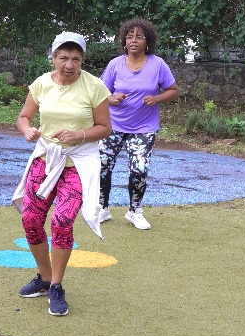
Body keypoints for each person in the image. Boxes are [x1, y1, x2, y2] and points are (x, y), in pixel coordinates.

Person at [12, 32, 111, 316]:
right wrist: (27, 130)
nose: (69, 64)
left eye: (76, 59)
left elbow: (105, 127)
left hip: (78, 161)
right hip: (46, 158)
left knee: (63, 219)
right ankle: (44, 278)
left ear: (82, 60)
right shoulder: (42, 83)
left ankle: (57, 285)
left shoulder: (95, 86)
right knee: (30, 218)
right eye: (63, 58)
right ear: (54, 57)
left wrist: (78, 134)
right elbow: (23, 117)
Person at [98, 18, 180, 230]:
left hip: (144, 128)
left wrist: (157, 99)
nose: (133, 40)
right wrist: (112, 99)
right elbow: (99, 92)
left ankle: (134, 210)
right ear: (124, 40)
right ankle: (102, 208)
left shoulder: (158, 64)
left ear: (147, 41)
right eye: (129, 36)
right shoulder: (115, 64)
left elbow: (173, 90)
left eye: (139, 37)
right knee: (103, 165)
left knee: (139, 169)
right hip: (113, 125)